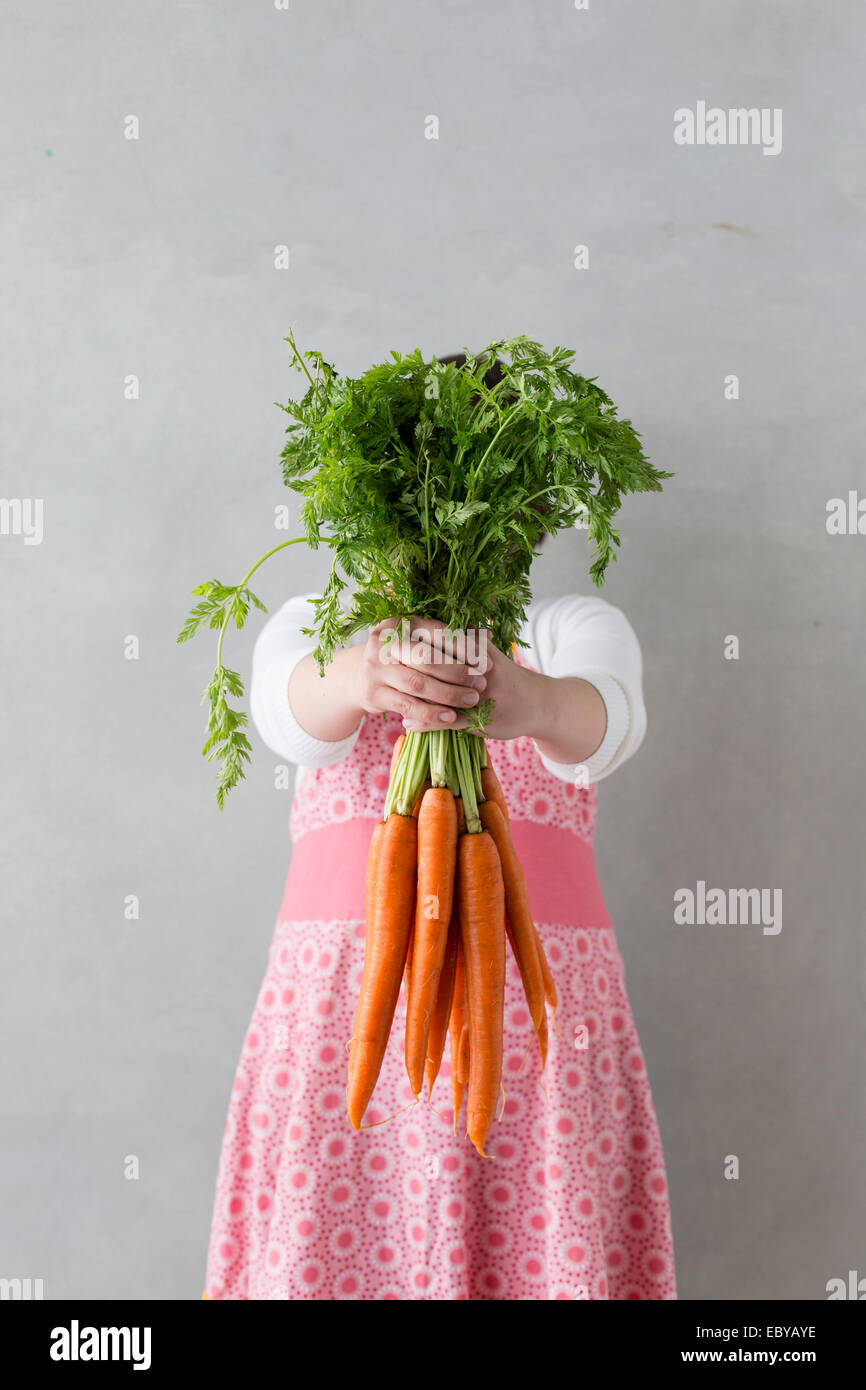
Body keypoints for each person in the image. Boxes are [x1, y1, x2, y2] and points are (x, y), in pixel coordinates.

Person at [201, 360, 677, 1302]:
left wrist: (528, 698)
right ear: (389, 502)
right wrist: (356, 677)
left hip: (529, 1008)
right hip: (346, 1007)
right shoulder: (324, 625)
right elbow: (286, 712)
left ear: (528, 507)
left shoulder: (564, 626)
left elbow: (608, 723)